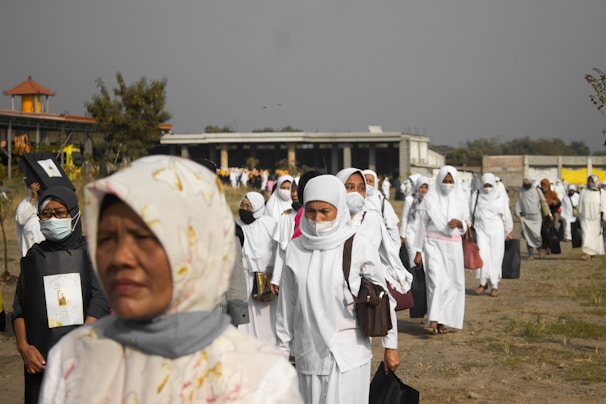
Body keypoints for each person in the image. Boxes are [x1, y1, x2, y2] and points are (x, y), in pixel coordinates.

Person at [39, 156, 301, 403]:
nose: (120, 258)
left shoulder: (259, 377)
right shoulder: (74, 359)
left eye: (143, 238)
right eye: (107, 238)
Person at [275, 175, 399, 403]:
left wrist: (390, 346)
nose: (316, 219)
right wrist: (281, 354)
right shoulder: (295, 249)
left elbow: (383, 296)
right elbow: (286, 308)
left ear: (339, 209)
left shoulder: (357, 244)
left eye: (325, 211)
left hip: (348, 355)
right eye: (311, 211)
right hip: (308, 354)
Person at [13, 185, 110, 404]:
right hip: (42, 360)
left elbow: (101, 299)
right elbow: (20, 305)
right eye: (46, 214)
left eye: (59, 213)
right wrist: (24, 347)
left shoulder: (92, 252)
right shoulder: (34, 255)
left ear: (74, 214)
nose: (52, 219)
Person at [410, 165, 469, 335]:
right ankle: (433, 320)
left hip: (453, 245)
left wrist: (460, 224)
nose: (448, 184)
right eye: (445, 180)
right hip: (432, 244)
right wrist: (418, 251)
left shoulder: (461, 199)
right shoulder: (429, 200)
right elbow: (421, 226)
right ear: (439, 180)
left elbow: (467, 222)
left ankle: (443, 321)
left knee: (452, 284)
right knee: (436, 281)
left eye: (451, 181)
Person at [236, 191, 278, 344]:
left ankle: (269, 343)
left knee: (266, 314)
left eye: (249, 206)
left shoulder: (269, 224)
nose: (245, 209)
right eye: (243, 205)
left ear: (259, 207)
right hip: (244, 276)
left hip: (266, 277)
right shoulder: (236, 224)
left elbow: (276, 248)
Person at [470, 173, 513, 297]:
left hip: (497, 231)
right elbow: (470, 212)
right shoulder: (476, 196)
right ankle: (483, 283)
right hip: (481, 230)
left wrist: (508, 230)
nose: (488, 187)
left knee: (495, 257)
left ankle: (494, 285)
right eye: (486, 185)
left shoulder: (500, 197)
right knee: (482, 256)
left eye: (490, 185)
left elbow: (506, 215)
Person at [363, 169, 400, 251]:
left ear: (375, 183)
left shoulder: (381, 200)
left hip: (379, 246)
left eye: (370, 181)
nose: (368, 184)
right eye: (366, 180)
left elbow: (392, 226)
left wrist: (395, 248)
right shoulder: (356, 199)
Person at [577, 175, 606, 261]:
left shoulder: (601, 192)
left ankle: (592, 252)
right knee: (586, 234)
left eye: (592, 181)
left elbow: (604, 205)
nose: (590, 183)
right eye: (589, 181)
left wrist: (604, 216)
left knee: (594, 236)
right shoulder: (583, 191)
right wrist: (578, 215)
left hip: (596, 218)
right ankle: (587, 253)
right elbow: (579, 204)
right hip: (584, 217)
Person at [15, 178, 45, 257]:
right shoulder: (25, 203)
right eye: (30, 185)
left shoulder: (45, 203)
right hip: (30, 254)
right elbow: (21, 219)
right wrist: (33, 198)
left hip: (46, 252)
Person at [515, 177, 543, 260]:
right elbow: (518, 203)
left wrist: (549, 214)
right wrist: (518, 214)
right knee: (528, 236)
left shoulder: (537, 191)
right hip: (526, 218)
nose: (526, 184)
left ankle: (540, 249)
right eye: (525, 183)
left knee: (536, 235)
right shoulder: (521, 192)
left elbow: (543, 201)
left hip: (536, 217)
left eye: (528, 183)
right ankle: (530, 255)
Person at [538, 178, 561, 256]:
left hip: (551, 215)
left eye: (545, 185)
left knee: (549, 232)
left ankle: (548, 247)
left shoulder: (552, 193)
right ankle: (544, 248)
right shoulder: (539, 193)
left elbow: (558, 202)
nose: (544, 187)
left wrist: (554, 202)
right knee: (542, 232)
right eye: (542, 185)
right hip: (541, 215)